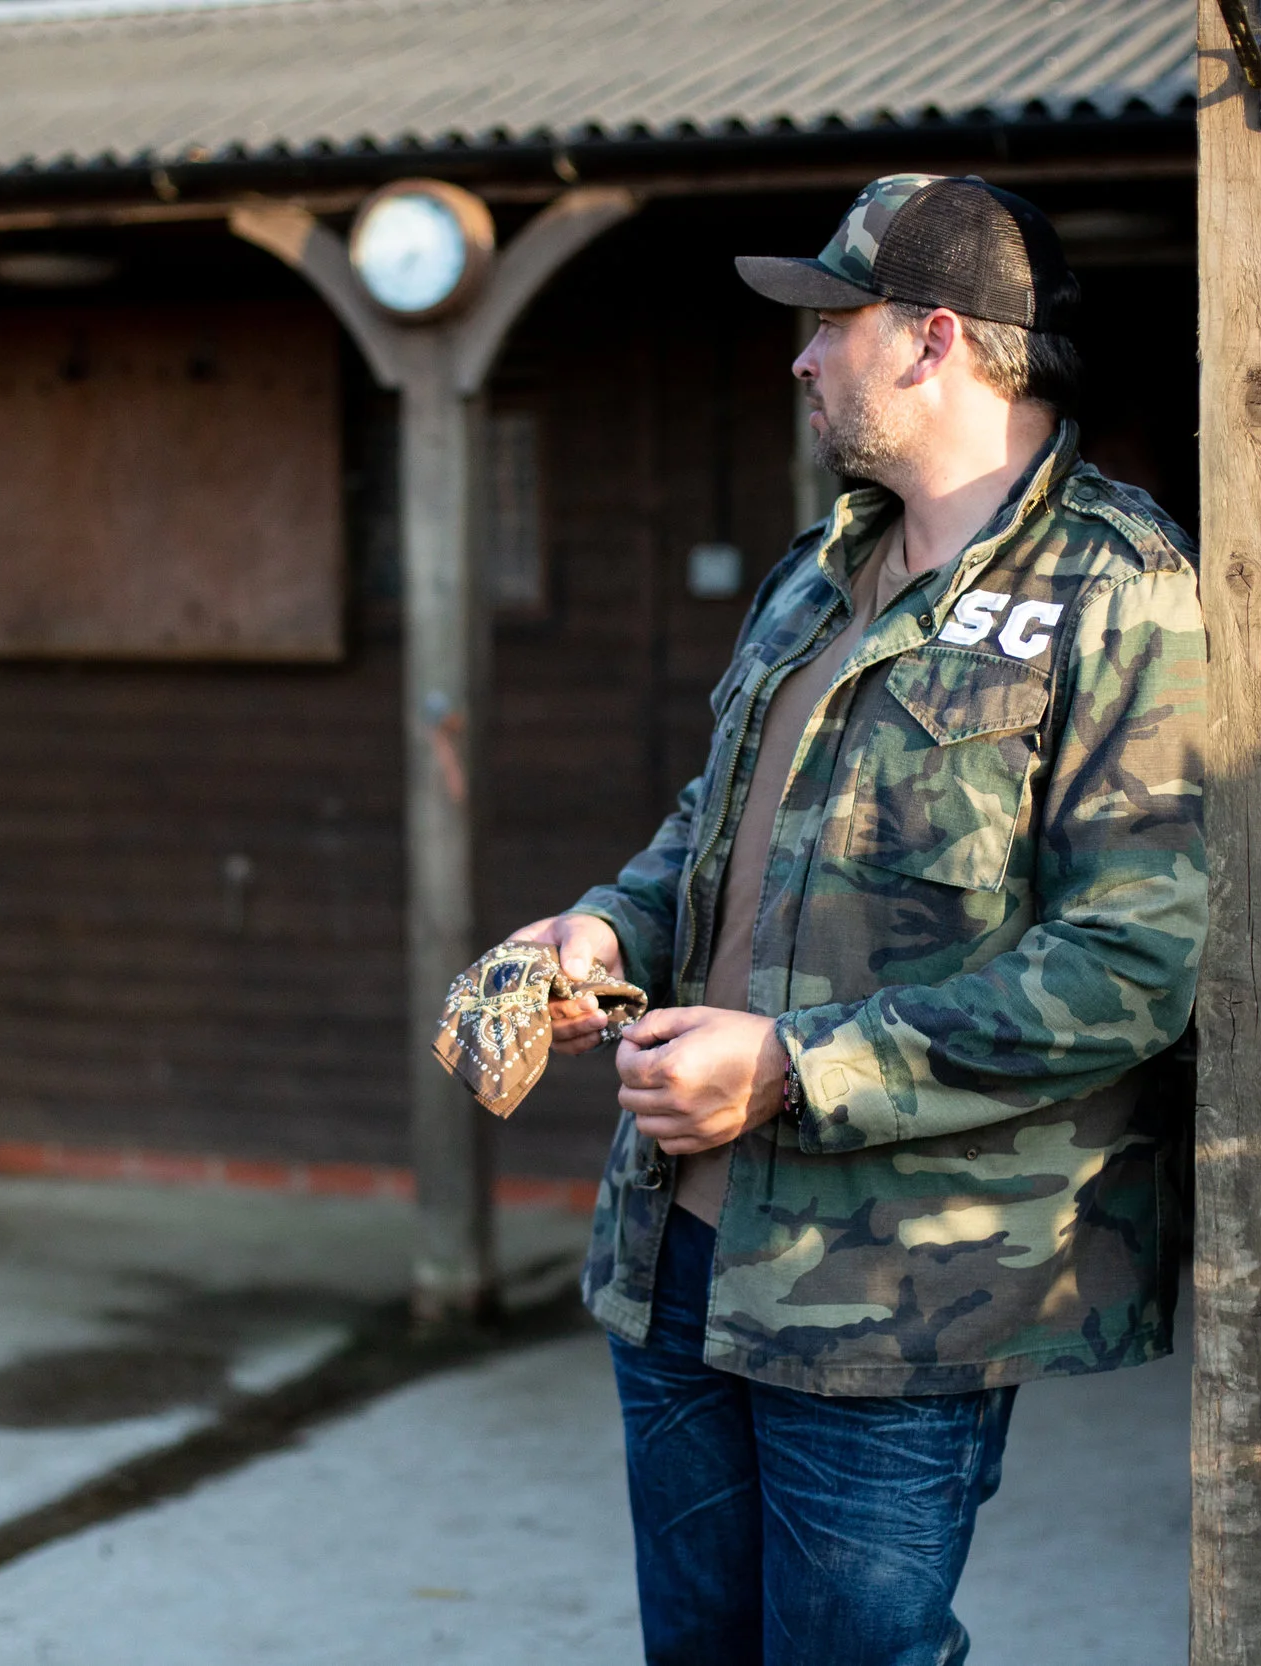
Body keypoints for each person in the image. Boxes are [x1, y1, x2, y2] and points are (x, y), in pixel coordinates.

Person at [507, 174, 1208, 1665]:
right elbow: (706, 831)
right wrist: (599, 932)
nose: (801, 358)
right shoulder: (815, 573)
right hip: (679, 1250)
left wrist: (792, 1068)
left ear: (935, 338)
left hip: (897, 1294)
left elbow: (1129, 965)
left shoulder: (1118, 586)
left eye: (830, 324)